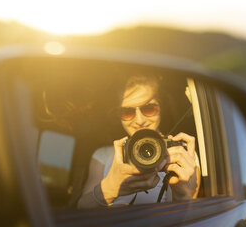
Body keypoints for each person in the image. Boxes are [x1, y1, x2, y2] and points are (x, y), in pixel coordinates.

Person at [77, 75, 201, 209]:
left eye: (149, 108)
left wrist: (182, 195)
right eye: (127, 112)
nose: (139, 120)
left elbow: (183, 218)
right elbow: (82, 207)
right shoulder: (103, 155)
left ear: (161, 107)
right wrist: (110, 189)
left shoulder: (180, 154)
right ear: (118, 115)